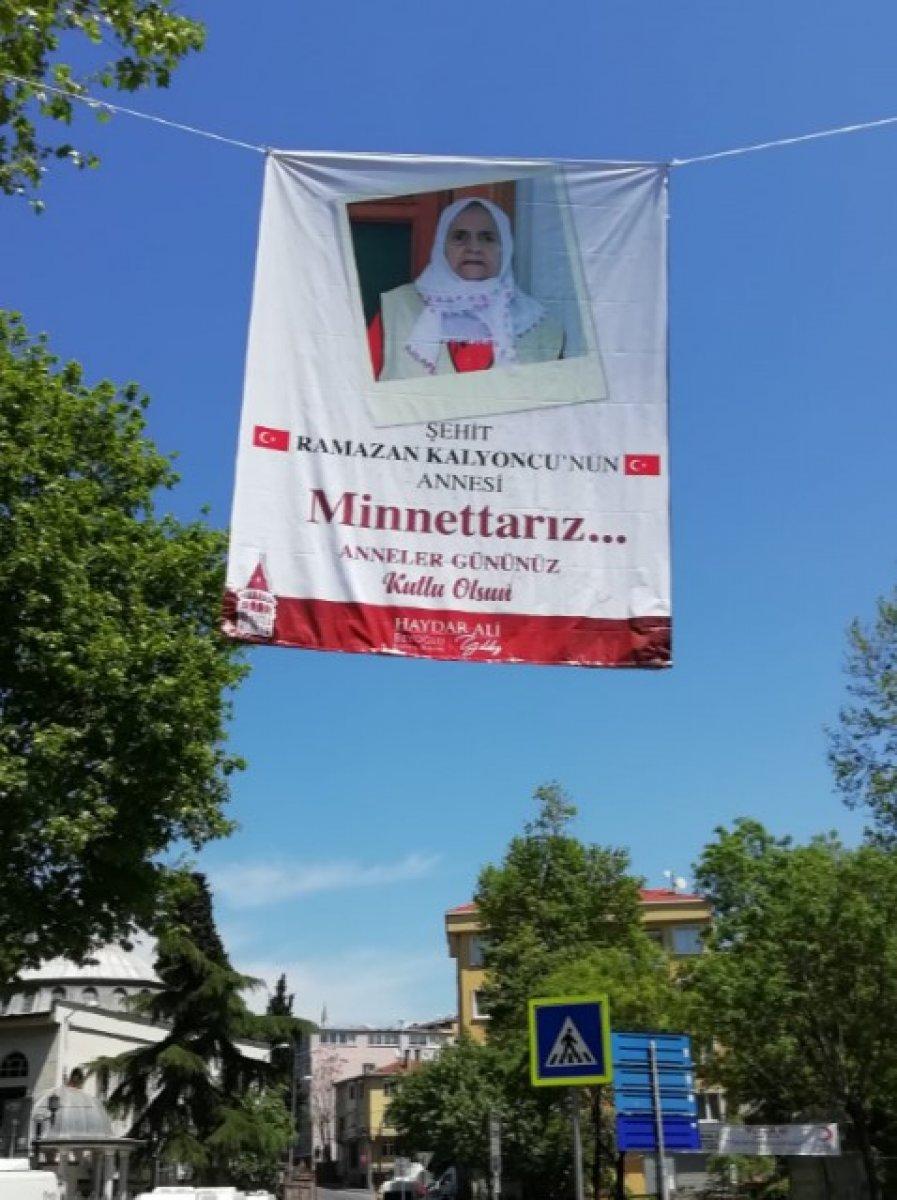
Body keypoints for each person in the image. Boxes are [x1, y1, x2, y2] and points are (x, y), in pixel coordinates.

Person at [367, 196, 564, 381]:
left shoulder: (542, 330)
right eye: (460, 236)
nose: (474, 248)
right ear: (441, 247)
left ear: (504, 248)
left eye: (487, 237)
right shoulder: (396, 312)